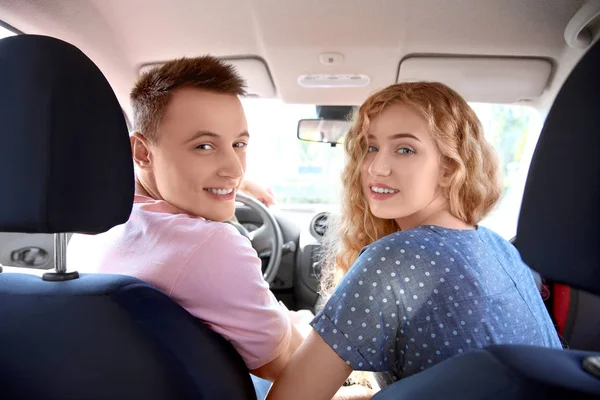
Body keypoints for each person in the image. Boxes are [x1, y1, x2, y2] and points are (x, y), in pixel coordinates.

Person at [266, 82, 562, 400]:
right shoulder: (500, 247)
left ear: (449, 168)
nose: (375, 168)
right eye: (370, 147)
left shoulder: (394, 260)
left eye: (405, 149)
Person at [66, 56, 301, 388]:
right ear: (143, 152)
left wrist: (227, 182)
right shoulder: (210, 246)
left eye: (238, 144)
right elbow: (291, 367)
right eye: (204, 146)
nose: (235, 170)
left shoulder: (97, 226)